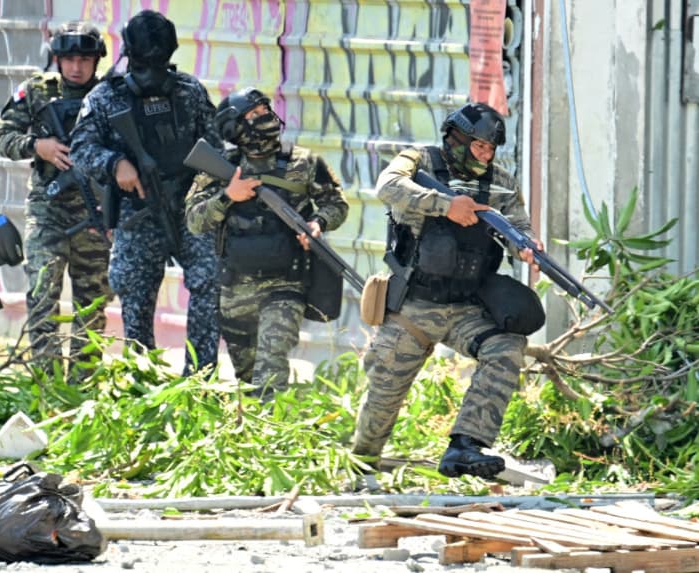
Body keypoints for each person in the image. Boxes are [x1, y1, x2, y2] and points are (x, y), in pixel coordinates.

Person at [352, 102, 544, 479]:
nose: (486, 156)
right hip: (413, 308)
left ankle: (465, 446)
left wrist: (527, 247)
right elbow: (388, 185)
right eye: (479, 146)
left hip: (467, 309)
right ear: (457, 139)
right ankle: (361, 467)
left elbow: (518, 226)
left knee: (506, 347)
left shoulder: (502, 182)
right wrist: (445, 205)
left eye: (491, 149)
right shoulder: (419, 160)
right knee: (382, 397)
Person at [70, 10, 221, 374]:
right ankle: (143, 379)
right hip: (138, 212)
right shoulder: (106, 96)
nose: (151, 72)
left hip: (189, 207)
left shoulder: (189, 91)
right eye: (143, 63)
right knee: (135, 299)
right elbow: (80, 149)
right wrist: (114, 164)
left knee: (211, 282)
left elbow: (215, 145)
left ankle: (200, 380)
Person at [185, 87, 349, 399]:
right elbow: (194, 221)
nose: (266, 117)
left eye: (265, 110)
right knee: (248, 377)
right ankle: (259, 425)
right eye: (254, 114)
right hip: (235, 289)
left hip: (286, 284)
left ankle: (272, 418)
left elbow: (336, 204)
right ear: (234, 127)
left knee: (271, 366)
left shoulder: (304, 162)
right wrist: (227, 196)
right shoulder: (221, 168)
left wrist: (318, 223)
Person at [0, 21, 113, 379]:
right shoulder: (37, 91)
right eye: (69, 59)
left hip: (96, 211)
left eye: (85, 60)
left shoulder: (108, 95)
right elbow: (3, 136)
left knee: (92, 302)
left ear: (96, 60)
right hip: (48, 209)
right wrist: (37, 146)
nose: (76, 67)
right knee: (43, 293)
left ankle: (83, 385)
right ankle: (47, 383)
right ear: (57, 59)